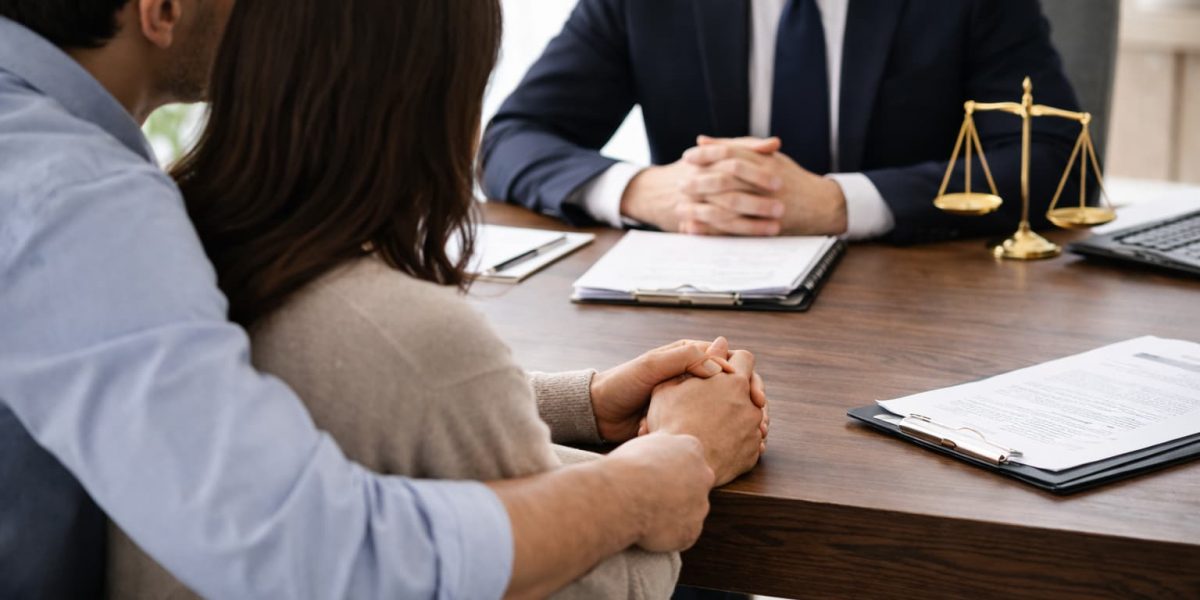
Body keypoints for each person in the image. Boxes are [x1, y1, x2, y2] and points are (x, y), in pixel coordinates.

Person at [0, 1, 765, 598]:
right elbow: (301, 544)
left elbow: (228, 398)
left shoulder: (167, 222)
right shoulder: (79, 205)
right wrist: (664, 468)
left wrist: (575, 406)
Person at [482, 0, 1083, 245]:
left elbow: (1054, 159)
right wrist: (648, 191)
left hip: (917, 321)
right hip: (692, 325)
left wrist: (838, 203)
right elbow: (511, 139)